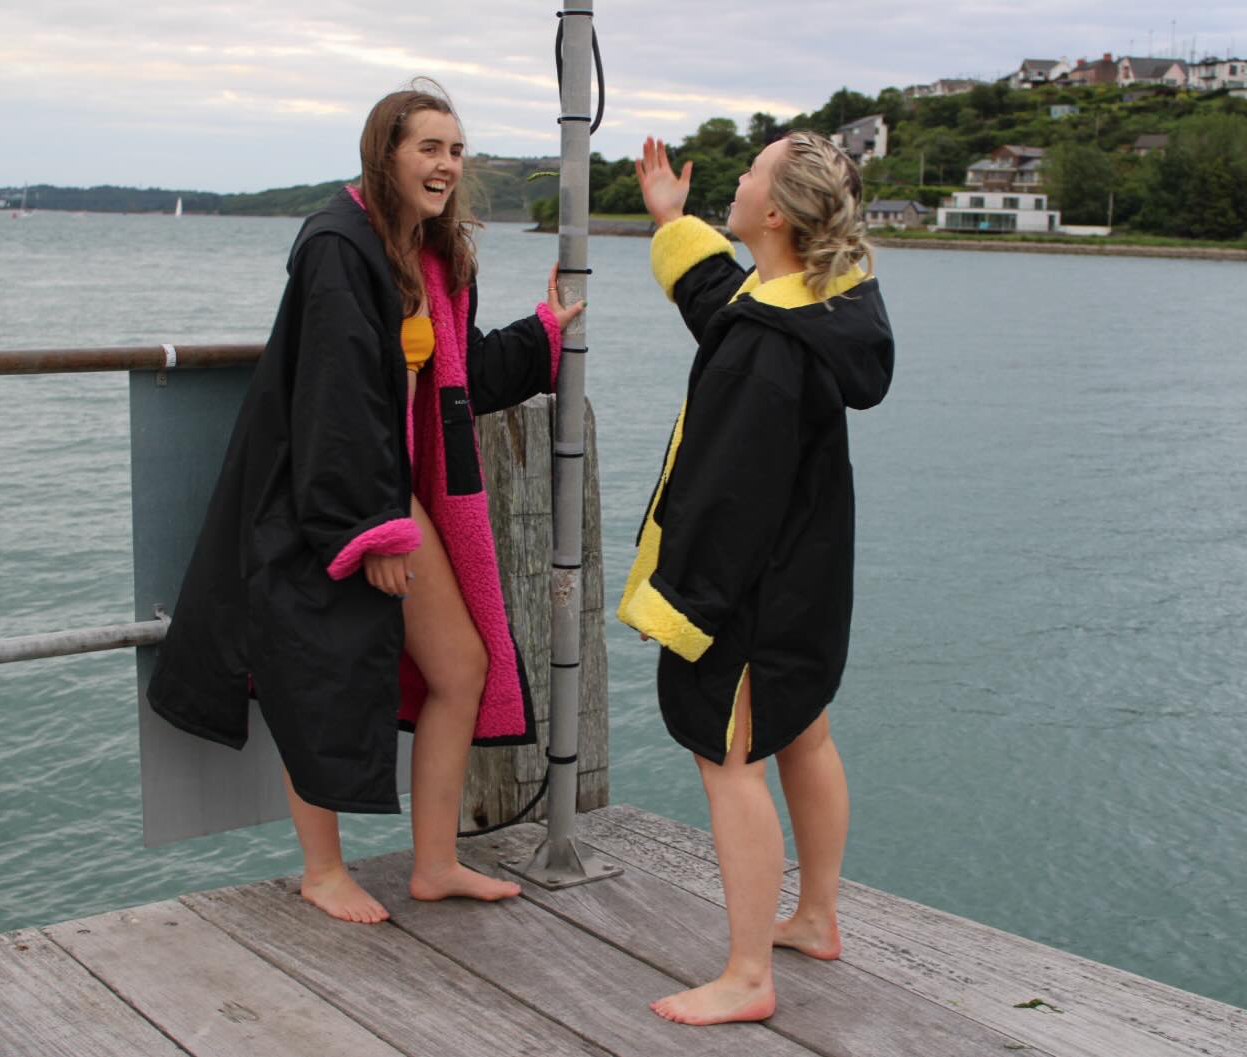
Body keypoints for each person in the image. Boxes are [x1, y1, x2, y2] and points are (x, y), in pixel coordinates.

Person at [147, 82, 583, 924]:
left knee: (461, 667)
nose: (446, 165)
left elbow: (458, 376)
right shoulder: (338, 247)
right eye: (429, 148)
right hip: (320, 496)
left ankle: (435, 863)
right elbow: (334, 402)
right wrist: (372, 530)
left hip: (385, 491)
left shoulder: (427, 253)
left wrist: (545, 333)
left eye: (456, 150)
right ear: (385, 153)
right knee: (315, 672)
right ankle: (322, 871)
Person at [619, 131, 894, 1024]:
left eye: (750, 172)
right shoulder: (808, 307)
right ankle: (815, 916)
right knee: (804, 732)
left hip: (752, 596)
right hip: (808, 583)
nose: (735, 180)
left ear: (774, 213)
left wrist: (680, 610)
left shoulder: (765, 348)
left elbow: (724, 500)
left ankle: (747, 975)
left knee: (729, 758)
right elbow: (720, 298)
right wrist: (671, 218)